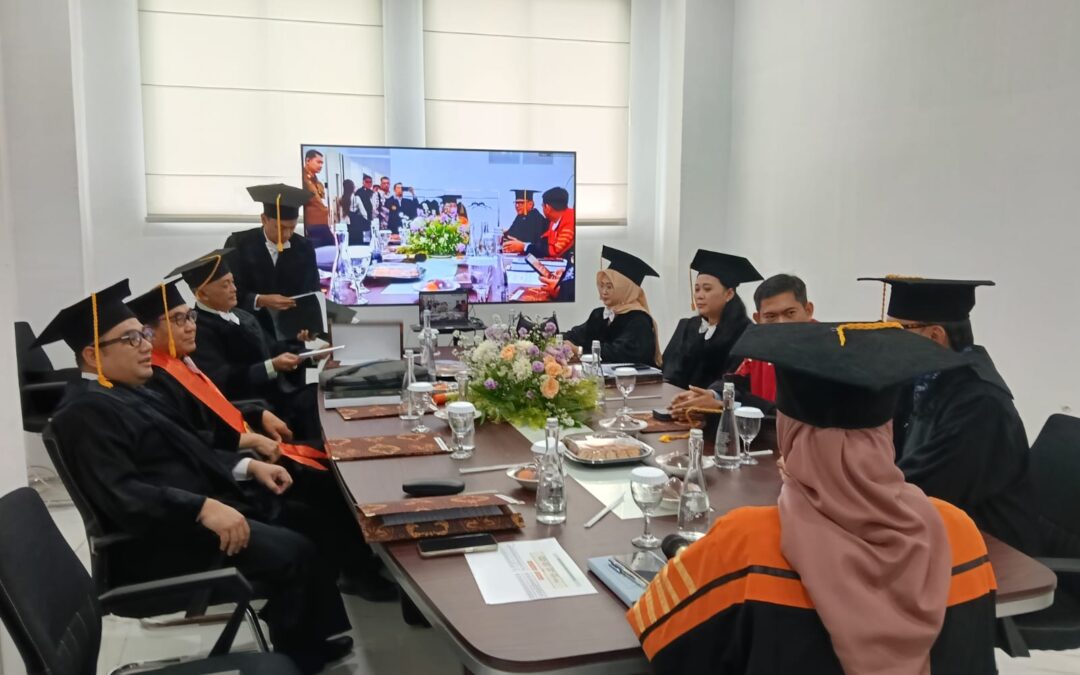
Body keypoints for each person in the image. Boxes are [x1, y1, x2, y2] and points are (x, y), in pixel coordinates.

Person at [629, 321, 997, 674]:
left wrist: (692, 559)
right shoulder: (959, 533)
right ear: (886, 431)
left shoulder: (746, 544)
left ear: (789, 432)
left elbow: (661, 643)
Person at [40, 280, 354, 673]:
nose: (145, 345)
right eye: (131, 339)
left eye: (144, 334)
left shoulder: (129, 391)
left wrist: (250, 465)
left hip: (196, 511)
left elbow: (191, 446)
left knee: (309, 520)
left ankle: (307, 639)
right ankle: (297, 658)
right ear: (91, 354)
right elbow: (124, 496)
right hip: (161, 542)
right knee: (294, 550)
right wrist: (202, 507)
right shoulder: (83, 414)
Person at [126, 280, 396, 602]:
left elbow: (217, 408)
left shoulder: (181, 362)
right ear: (149, 332)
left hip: (241, 447)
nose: (190, 326)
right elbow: (189, 439)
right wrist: (246, 444)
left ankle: (361, 557)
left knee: (333, 463)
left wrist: (257, 414)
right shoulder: (155, 379)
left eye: (190, 317)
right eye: (178, 319)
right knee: (329, 483)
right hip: (226, 470)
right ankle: (355, 570)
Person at [860, 276, 1036, 551]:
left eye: (896, 330)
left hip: (988, 549)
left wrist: (848, 493)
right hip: (933, 531)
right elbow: (881, 446)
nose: (887, 340)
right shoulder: (919, 380)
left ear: (934, 336)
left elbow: (924, 490)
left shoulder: (980, 404)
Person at [173, 250, 322, 441]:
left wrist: (309, 355)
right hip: (250, 406)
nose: (234, 289)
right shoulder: (200, 329)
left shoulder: (243, 316)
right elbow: (222, 379)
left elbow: (273, 349)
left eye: (233, 282)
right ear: (202, 294)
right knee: (310, 406)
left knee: (319, 393)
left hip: (277, 394)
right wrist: (271, 366)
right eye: (225, 285)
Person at [671, 273, 814, 414]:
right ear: (758, 319)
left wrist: (726, 405)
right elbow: (734, 383)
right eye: (770, 316)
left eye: (790, 313)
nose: (781, 323)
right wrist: (713, 395)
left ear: (808, 310)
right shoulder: (758, 347)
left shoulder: (821, 351)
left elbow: (790, 414)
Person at [224, 183, 320, 338]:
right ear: (264, 219)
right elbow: (229, 291)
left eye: (292, 228)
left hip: (290, 333)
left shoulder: (304, 247)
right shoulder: (238, 244)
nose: (287, 234)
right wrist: (260, 300)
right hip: (250, 331)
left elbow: (311, 291)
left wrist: (309, 328)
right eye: (280, 228)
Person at [662, 250, 761, 390]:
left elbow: (735, 383)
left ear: (729, 294)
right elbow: (669, 371)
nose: (699, 296)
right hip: (677, 399)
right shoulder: (688, 326)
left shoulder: (744, 333)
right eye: (697, 289)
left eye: (707, 289)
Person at [564, 246, 661, 366]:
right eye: (602, 285)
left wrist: (580, 351)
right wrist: (557, 339)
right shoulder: (599, 314)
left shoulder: (639, 320)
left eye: (609, 287)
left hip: (636, 377)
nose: (604, 292)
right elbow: (577, 335)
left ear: (625, 289)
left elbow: (618, 353)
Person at [502, 187, 574, 259]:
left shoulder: (569, 220)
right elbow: (543, 242)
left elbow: (554, 251)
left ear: (547, 207)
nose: (517, 206)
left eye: (521, 203)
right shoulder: (553, 222)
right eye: (516, 203)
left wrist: (524, 246)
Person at [301, 149, 333, 248]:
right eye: (318, 162)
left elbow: (322, 202)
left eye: (322, 163)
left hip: (323, 224)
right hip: (312, 226)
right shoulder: (302, 178)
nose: (321, 165)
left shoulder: (317, 182)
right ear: (308, 160)